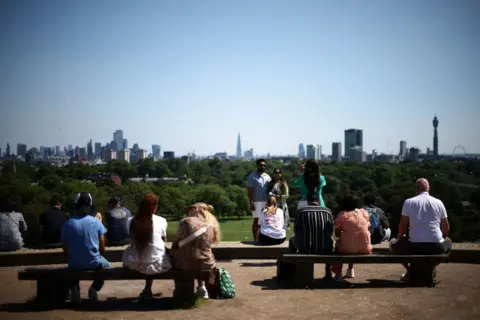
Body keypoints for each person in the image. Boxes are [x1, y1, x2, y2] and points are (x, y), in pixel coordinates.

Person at [390, 178, 452, 282]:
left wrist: (401, 236)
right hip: (436, 246)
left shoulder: (408, 202)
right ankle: (431, 268)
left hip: (415, 245)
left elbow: (402, 225)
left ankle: (409, 271)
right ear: (428, 189)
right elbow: (446, 228)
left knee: (392, 245)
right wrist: (442, 237)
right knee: (449, 243)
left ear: (416, 189)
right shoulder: (439, 202)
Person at [61, 192, 111, 303]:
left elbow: (65, 248)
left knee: (72, 267)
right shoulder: (97, 223)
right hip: (93, 262)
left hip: (74, 263)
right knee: (108, 266)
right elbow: (102, 248)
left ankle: (75, 288)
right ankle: (94, 288)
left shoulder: (67, 224)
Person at [122, 193, 171, 300]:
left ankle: (147, 289)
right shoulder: (162, 220)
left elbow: (131, 239)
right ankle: (147, 289)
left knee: (135, 252)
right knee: (156, 254)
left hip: (135, 262)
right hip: (156, 263)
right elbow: (163, 241)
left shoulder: (131, 220)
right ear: (154, 207)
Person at [171, 203, 220, 300]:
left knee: (178, 257)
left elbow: (175, 245)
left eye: (189, 209)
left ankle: (181, 291)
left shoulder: (185, 222)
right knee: (200, 256)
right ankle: (202, 287)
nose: (187, 213)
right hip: (207, 264)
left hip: (185, 264)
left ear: (196, 209)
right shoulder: (211, 225)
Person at [285, 192, 334, 279]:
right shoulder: (327, 211)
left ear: (307, 200)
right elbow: (330, 231)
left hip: (305, 248)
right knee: (330, 239)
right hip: (324, 248)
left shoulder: (301, 211)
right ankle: (328, 271)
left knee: (292, 239)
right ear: (318, 200)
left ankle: (292, 268)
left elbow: (296, 230)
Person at [344, 194, 391, 279]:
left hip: (361, 239)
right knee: (389, 230)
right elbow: (386, 225)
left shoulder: (359, 211)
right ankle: (383, 244)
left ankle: (350, 270)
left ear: (364, 202)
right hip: (376, 238)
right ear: (375, 202)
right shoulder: (379, 210)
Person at [331, 195, 372, 283]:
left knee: (339, 246)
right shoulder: (364, 212)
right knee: (354, 240)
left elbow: (337, 234)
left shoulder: (343, 214)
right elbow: (368, 226)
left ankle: (338, 274)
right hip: (365, 248)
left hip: (347, 248)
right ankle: (350, 270)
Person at [247, 158, 271, 240]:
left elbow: (270, 190)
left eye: (264, 165)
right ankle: (255, 240)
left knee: (265, 221)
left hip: (266, 202)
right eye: (261, 165)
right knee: (256, 221)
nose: (263, 166)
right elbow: (249, 191)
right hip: (256, 202)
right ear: (257, 165)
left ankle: (263, 239)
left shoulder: (268, 176)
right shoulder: (252, 176)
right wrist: (251, 203)